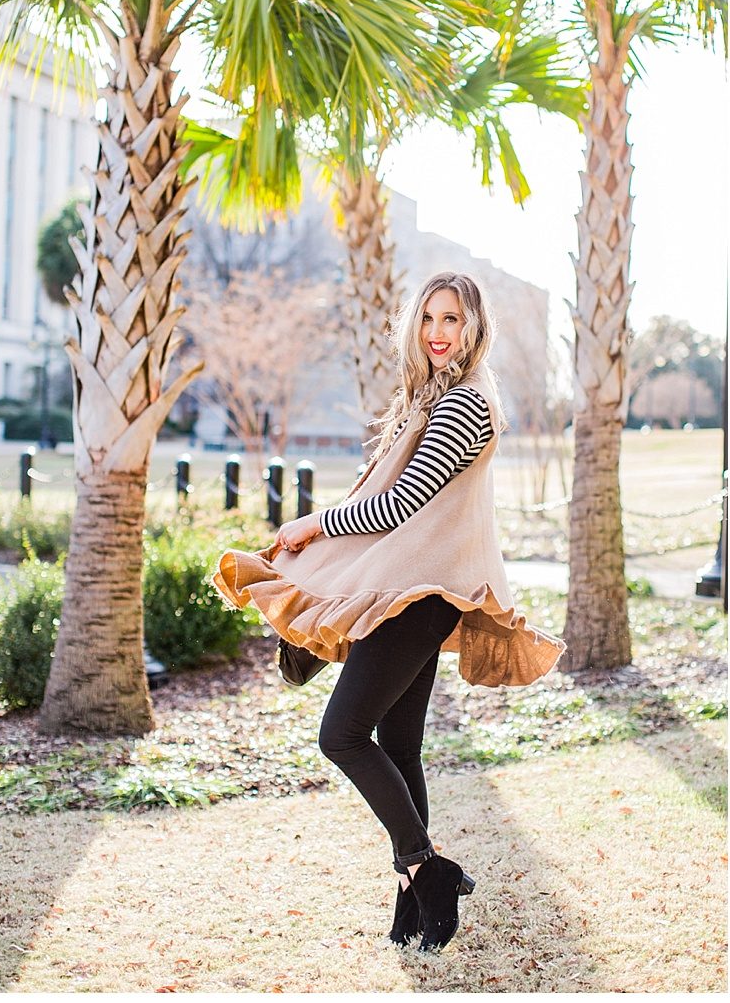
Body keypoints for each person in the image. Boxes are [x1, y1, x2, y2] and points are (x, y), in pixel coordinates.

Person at [215, 272, 565, 952]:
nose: (439, 331)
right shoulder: (434, 397)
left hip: (419, 597)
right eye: (430, 316)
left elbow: (397, 505)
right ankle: (414, 906)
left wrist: (316, 523)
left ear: (474, 328)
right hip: (413, 592)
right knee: (399, 747)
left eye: (453, 319)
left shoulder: (464, 403)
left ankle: (427, 870)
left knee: (341, 734)